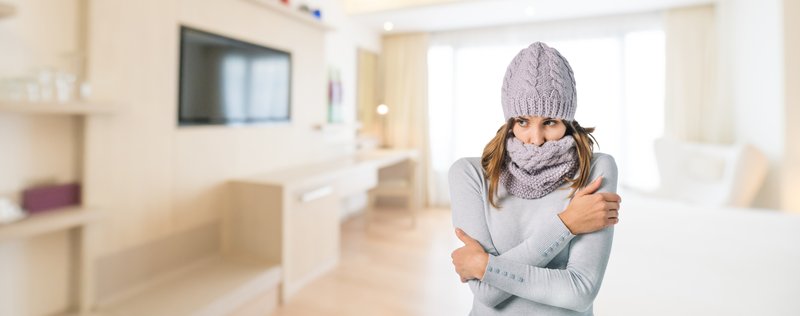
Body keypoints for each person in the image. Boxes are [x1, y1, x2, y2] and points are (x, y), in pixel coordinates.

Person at [448, 42, 622, 315]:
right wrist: (567, 224)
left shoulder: (597, 170)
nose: (536, 139)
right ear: (510, 121)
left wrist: (487, 266)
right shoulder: (469, 175)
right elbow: (486, 292)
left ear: (567, 122)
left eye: (550, 122)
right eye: (523, 122)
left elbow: (580, 291)